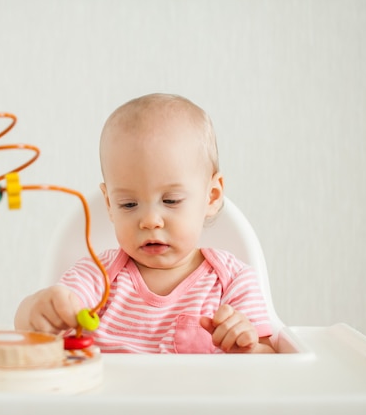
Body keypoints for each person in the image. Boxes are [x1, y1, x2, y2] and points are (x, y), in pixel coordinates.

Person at [15, 93, 275, 354]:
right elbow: (33, 327)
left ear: (212, 196)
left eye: (171, 200)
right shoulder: (97, 277)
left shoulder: (232, 280)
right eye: (128, 204)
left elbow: (267, 363)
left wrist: (245, 346)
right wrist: (37, 311)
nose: (150, 221)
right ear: (109, 205)